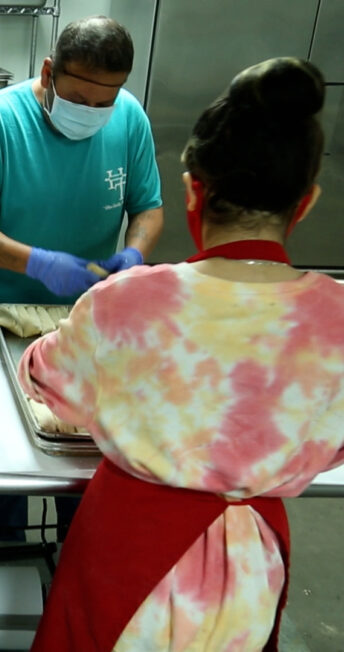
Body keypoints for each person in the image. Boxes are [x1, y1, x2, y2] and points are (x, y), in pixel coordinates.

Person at [22, 57, 344, 650]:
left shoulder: (128, 301)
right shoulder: (339, 318)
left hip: (130, 551)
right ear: (306, 202)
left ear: (195, 189)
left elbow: (47, 377)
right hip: (253, 563)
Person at [0, 16, 164, 542]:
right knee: (4, 474)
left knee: (83, 482)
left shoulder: (128, 119)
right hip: (1, 324)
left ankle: (71, 577)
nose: (91, 112)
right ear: (48, 72)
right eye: (79, 97)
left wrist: (134, 252)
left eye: (103, 102)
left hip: (87, 327)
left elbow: (148, 207)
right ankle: (1, 562)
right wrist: (36, 262)